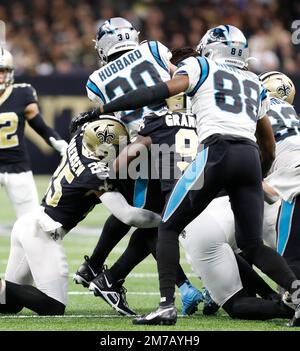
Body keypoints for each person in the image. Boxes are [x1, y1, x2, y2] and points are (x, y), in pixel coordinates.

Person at [96, 25, 300, 326]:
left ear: (211, 49)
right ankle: (297, 296)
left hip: (217, 152)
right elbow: (267, 142)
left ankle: (166, 305)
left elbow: (158, 91)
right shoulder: (253, 81)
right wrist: (261, 167)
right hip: (248, 158)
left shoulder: (199, 65)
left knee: (167, 227)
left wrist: (107, 107)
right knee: (252, 243)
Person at [112, 92, 293, 322]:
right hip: (236, 202)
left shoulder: (156, 122)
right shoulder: (210, 119)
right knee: (250, 246)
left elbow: (120, 166)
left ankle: (166, 304)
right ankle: (286, 294)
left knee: (170, 231)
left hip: (197, 214)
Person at [72, 19, 202, 316]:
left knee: (147, 215)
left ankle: (97, 268)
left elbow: (113, 121)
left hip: (136, 148)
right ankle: (113, 277)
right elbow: (181, 84)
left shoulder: (95, 80)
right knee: (155, 219)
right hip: (170, 138)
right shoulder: (154, 49)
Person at [0, 117, 161, 316]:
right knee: (53, 306)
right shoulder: (95, 173)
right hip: (42, 232)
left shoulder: (81, 138)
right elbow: (128, 216)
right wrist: (168, 220)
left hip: (30, 223)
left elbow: (81, 124)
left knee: (9, 304)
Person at [0, 47, 68, 218]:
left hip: (17, 165)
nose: (1, 76)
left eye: (4, 71)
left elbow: (40, 126)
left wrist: (58, 143)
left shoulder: (21, 93)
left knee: (30, 221)